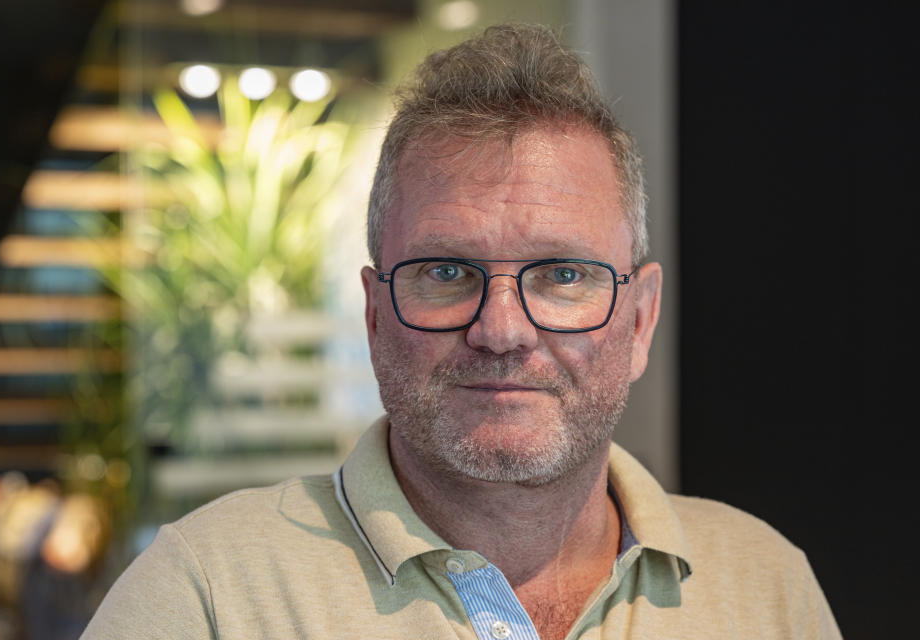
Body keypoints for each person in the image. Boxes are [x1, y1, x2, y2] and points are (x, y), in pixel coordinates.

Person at [81, 24, 841, 639]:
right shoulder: (210, 595)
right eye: (446, 273)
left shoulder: (766, 587)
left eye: (563, 275)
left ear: (639, 320)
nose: (502, 330)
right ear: (375, 316)